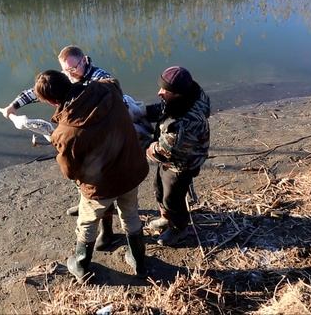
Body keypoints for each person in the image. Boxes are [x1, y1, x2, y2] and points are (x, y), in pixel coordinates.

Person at [0, 45, 118, 251]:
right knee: (81, 177)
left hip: (101, 140)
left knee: (101, 185)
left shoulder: (100, 79)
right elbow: (40, 90)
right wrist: (13, 106)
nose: (69, 74)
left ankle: (107, 230)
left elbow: (115, 103)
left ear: (84, 61)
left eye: (73, 69)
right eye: (65, 70)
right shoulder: (68, 77)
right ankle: (84, 203)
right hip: (77, 137)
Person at [33, 70, 149, 280]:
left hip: (101, 187)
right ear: (68, 80)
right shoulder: (108, 89)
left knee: (87, 223)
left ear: (50, 101)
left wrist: (60, 151)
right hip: (131, 170)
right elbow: (114, 80)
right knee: (131, 214)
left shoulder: (65, 132)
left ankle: (80, 264)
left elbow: (69, 172)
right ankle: (139, 261)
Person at [144, 66, 210, 246]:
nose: (159, 92)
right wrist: (143, 111)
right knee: (159, 186)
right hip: (174, 156)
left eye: (165, 90)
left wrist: (143, 142)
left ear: (179, 94)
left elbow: (163, 153)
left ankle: (179, 228)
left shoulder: (183, 123)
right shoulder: (191, 93)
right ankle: (166, 218)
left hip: (182, 164)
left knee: (173, 198)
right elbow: (165, 108)